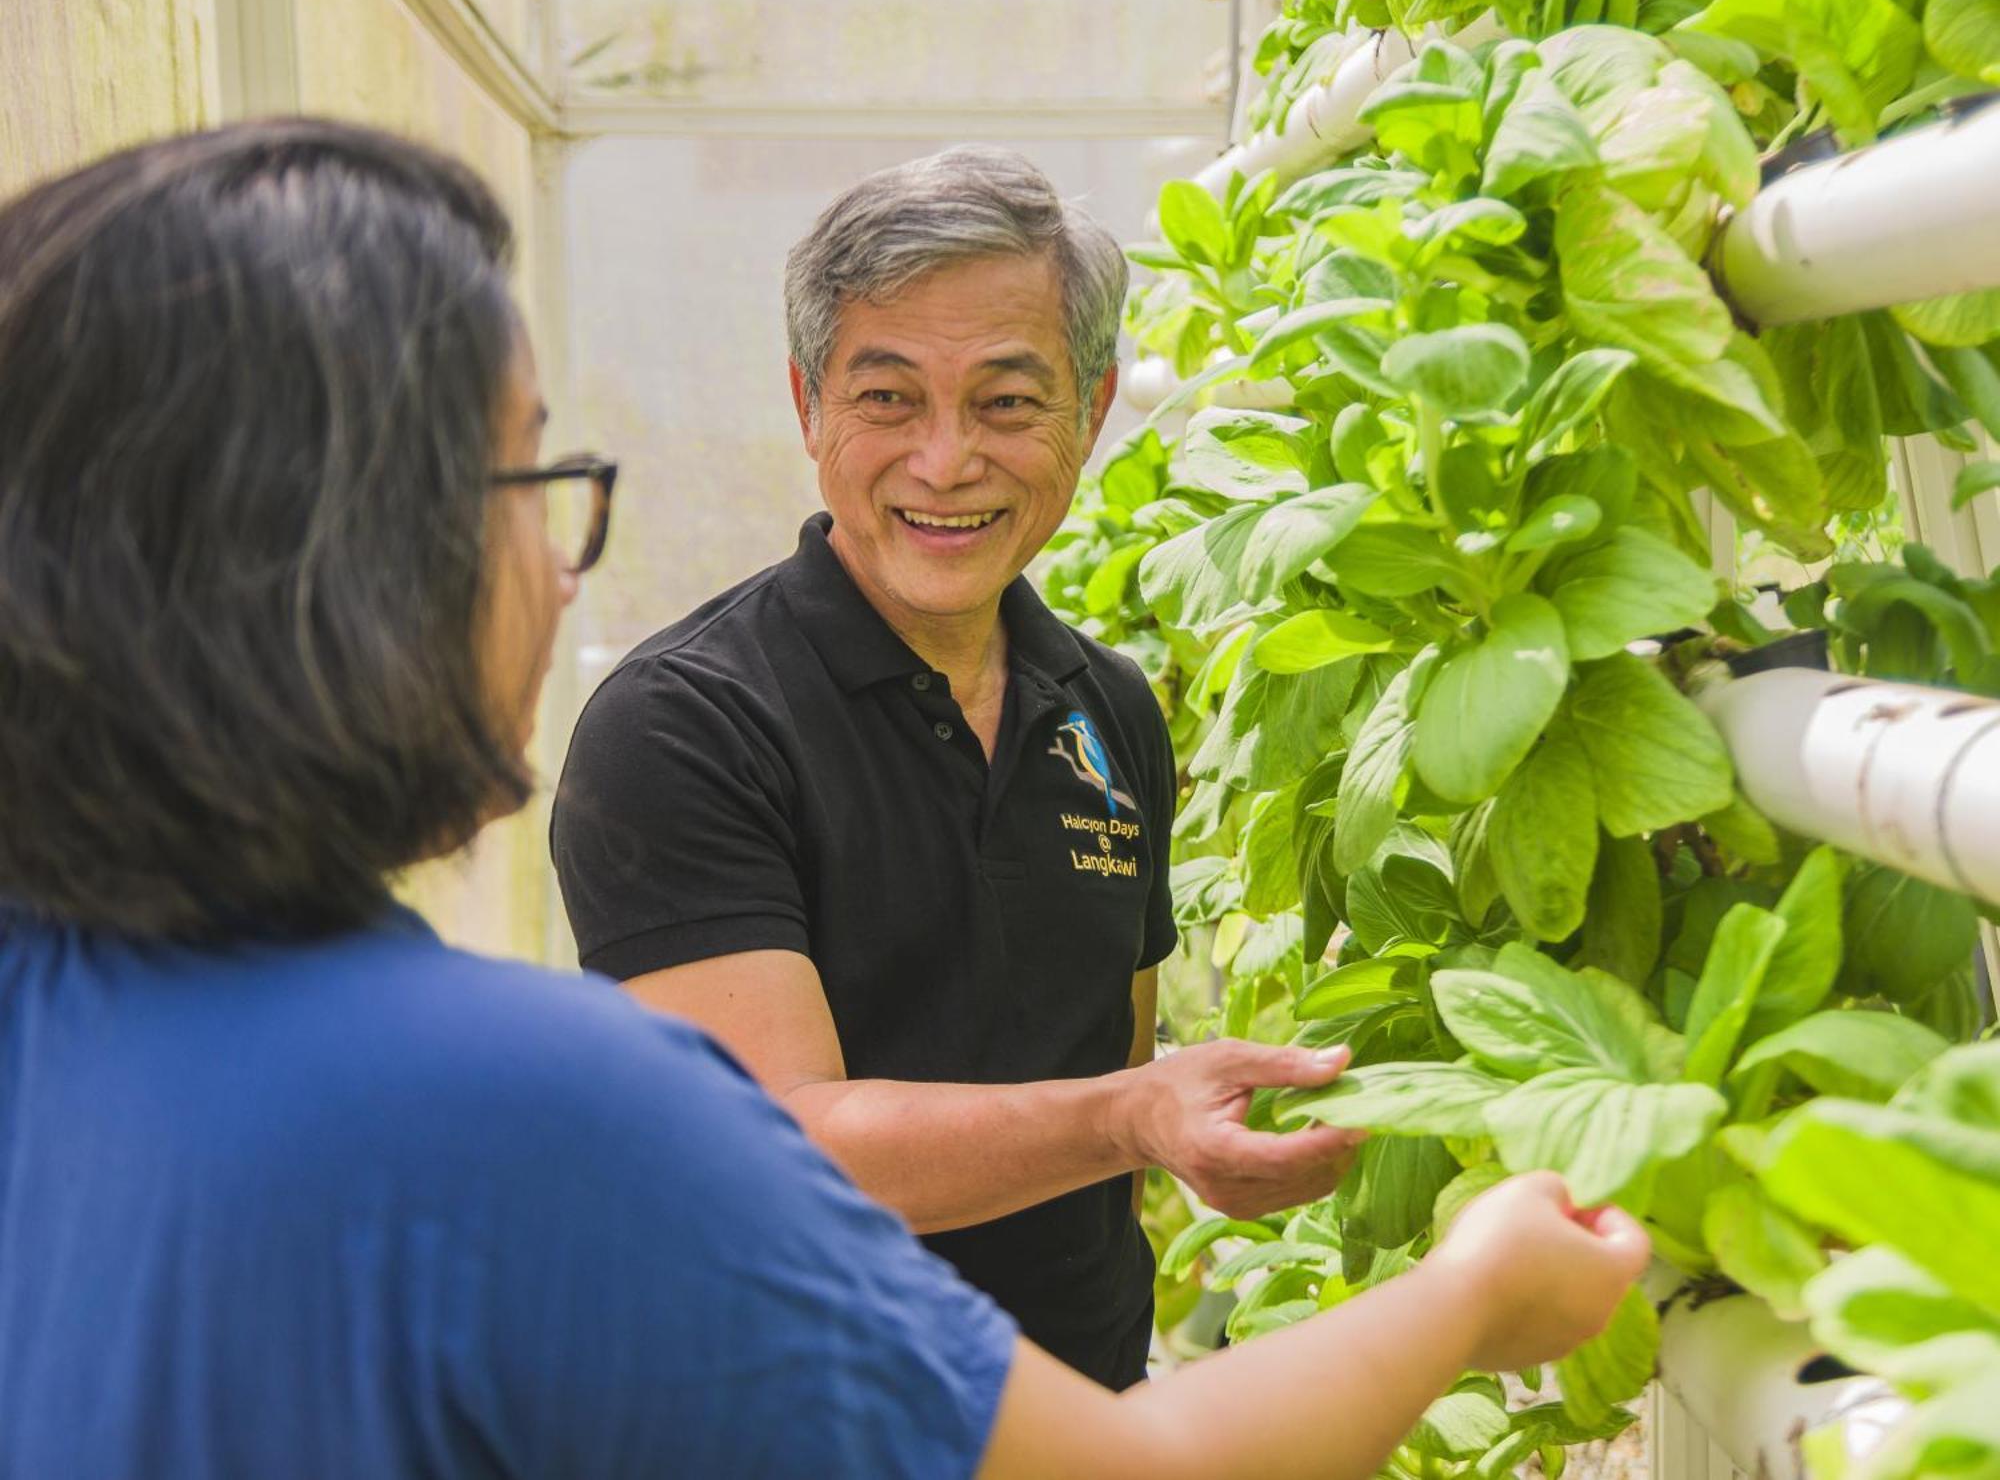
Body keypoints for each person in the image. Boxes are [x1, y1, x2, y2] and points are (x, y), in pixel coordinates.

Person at [0, 120, 1650, 1480]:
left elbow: (1114, 1034)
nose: (561, 570)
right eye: (526, 477)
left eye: (1008, 400)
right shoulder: (544, 1086)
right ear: (334, 562)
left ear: (1084, 416)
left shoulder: (53, 993)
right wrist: (1471, 1292)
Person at [550, 146, 1362, 1388]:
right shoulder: (683, 724)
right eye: (886, 399)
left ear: (1089, 414)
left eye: (1005, 401)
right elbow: (779, 1156)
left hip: (1088, 1417)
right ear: (806, 403)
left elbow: (1105, 1076)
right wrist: (1136, 1114)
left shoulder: (1109, 710)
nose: (944, 462)